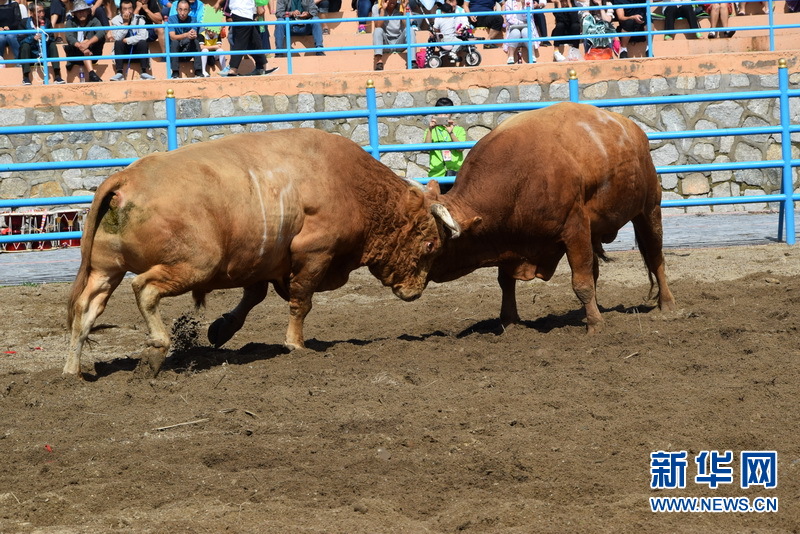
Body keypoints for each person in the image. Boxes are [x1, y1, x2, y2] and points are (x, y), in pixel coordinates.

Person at [214, 0, 275, 75]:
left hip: (243, 12)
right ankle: (233, 69)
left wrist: (218, 3)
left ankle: (264, 66)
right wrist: (259, 5)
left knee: (255, 41)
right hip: (243, 12)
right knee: (240, 41)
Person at [18, 3, 67, 84]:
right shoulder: (24, 23)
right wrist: (33, 38)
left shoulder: (47, 22)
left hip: (44, 51)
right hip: (31, 52)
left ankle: (57, 76)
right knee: (25, 46)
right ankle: (26, 77)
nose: (42, 14)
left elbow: (52, 37)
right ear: (31, 13)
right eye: (39, 12)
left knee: (53, 45)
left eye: (43, 11)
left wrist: (45, 37)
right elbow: (20, 40)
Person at [423, 97, 466, 190]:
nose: (443, 116)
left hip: (455, 174)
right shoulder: (430, 130)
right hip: (436, 175)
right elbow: (426, 148)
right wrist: (430, 129)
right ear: (435, 113)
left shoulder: (459, 130)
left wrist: (451, 132)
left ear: (451, 114)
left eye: (446, 113)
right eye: (440, 113)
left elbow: (461, 148)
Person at [110, 0, 156, 79]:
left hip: (136, 49)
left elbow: (144, 35)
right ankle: (119, 73)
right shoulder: (115, 21)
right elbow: (117, 38)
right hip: (123, 51)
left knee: (143, 43)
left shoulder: (140, 19)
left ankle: (144, 72)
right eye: (125, 9)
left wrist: (128, 40)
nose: (128, 11)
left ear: (133, 9)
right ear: (120, 10)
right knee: (118, 43)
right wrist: (125, 24)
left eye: (130, 8)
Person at [64, 0, 105, 81]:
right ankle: (92, 74)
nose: (81, 13)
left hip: (92, 52)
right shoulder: (70, 22)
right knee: (85, 50)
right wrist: (81, 46)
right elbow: (69, 37)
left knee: (100, 38)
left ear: (87, 11)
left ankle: (92, 74)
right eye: (78, 11)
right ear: (74, 13)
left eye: (83, 11)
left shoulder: (93, 20)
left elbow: (101, 32)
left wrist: (88, 43)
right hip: (75, 52)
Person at [167, 0, 202, 77]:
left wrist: (193, 35)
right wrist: (186, 35)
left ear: (189, 10)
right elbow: (172, 37)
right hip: (177, 50)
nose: (182, 13)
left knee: (196, 41)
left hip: (188, 48)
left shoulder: (193, 19)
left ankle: (198, 71)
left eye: (185, 10)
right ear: (176, 10)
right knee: (174, 42)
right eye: (180, 9)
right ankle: (175, 72)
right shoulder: (171, 19)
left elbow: (193, 33)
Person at [372, 0, 406, 70]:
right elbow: (378, 25)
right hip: (386, 43)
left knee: (410, 30)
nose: (392, 1)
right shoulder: (376, 7)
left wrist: (404, 9)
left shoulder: (402, 6)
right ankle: (379, 61)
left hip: (399, 42)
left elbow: (407, 25)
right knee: (378, 30)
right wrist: (383, 10)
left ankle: (412, 62)